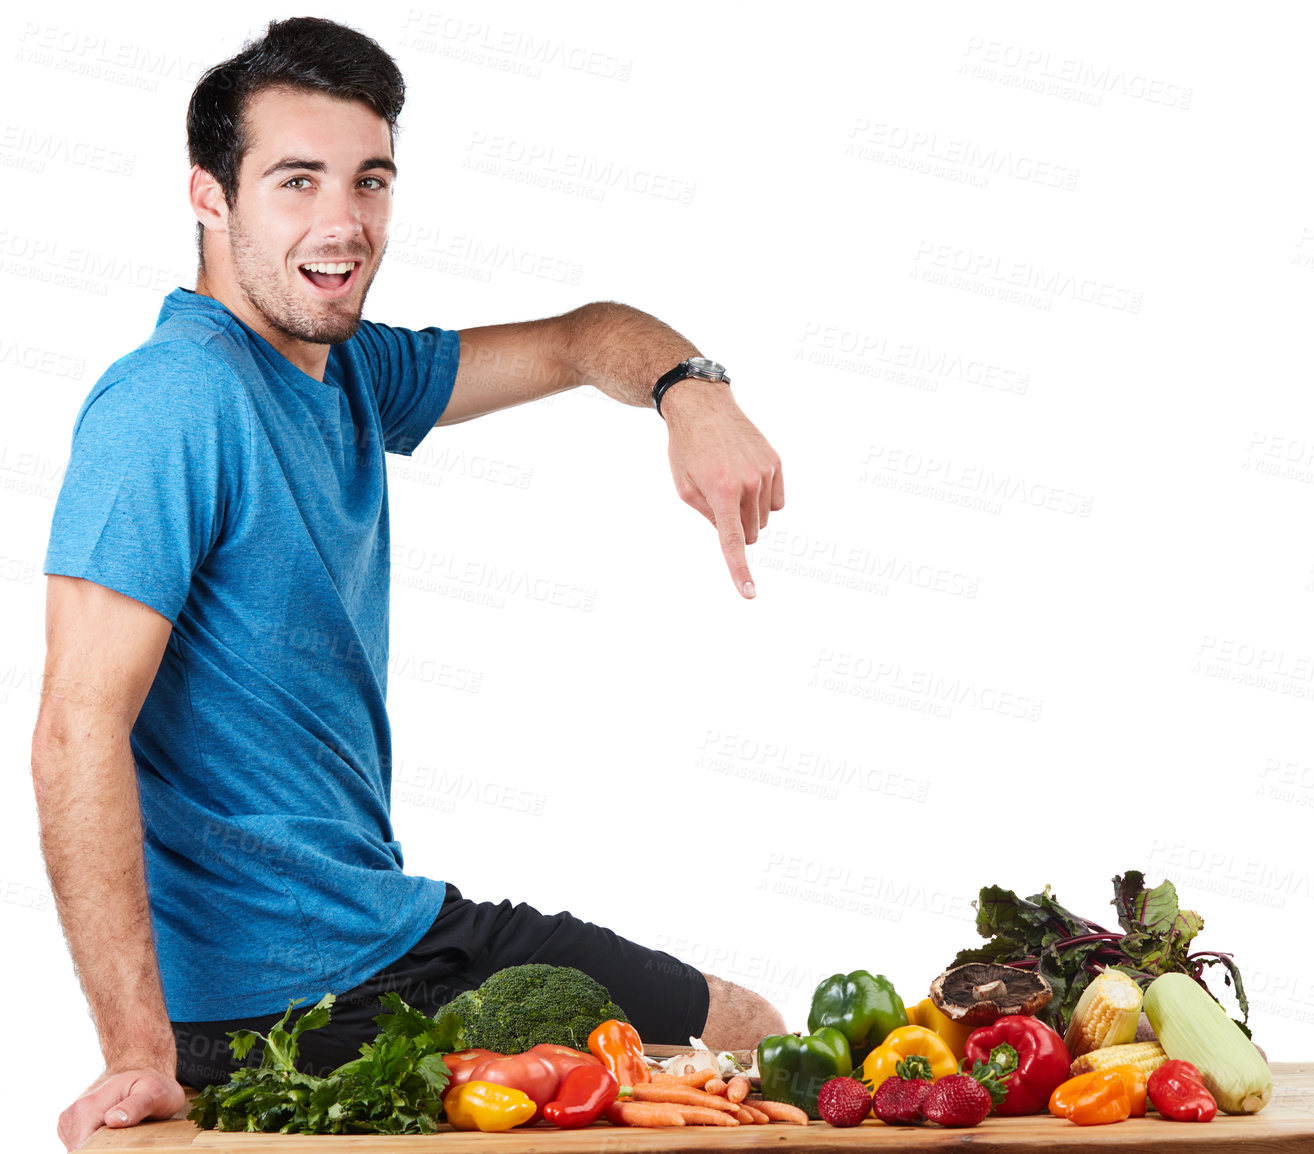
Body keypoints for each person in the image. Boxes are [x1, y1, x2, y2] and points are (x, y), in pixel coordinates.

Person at [32, 17, 786, 1151]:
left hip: (362, 941)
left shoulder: (348, 371)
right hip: (316, 982)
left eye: (368, 180)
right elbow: (72, 732)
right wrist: (140, 1056)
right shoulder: (171, 402)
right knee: (748, 1036)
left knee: (714, 1059)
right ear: (208, 196)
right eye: (296, 181)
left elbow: (584, 338)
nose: (342, 224)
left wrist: (692, 386)